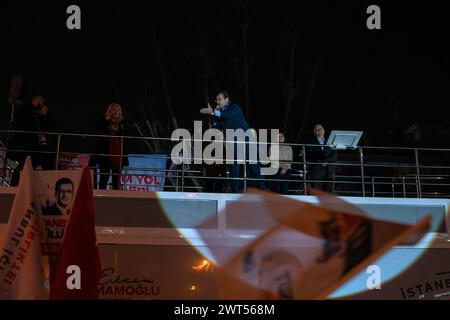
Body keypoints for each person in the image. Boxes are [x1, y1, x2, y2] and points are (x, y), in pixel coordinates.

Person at [200, 90, 255, 193]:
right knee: (234, 170)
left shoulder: (234, 108)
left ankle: (258, 191)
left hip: (245, 142)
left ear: (227, 99)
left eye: (220, 99)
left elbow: (226, 114)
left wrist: (212, 112)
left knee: (251, 169)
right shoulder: (222, 115)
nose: (218, 102)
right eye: (216, 100)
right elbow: (218, 126)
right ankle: (235, 193)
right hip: (233, 147)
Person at [10, 94, 56, 185]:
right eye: (41, 103)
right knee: (25, 165)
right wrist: (39, 112)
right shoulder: (26, 110)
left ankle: (52, 184)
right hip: (28, 146)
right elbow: (27, 123)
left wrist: (44, 115)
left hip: (38, 147)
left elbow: (50, 123)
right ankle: (14, 184)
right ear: (38, 100)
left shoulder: (38, 114)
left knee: (47, 164)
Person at [92, 103, 128, 190]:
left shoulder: (123, 123)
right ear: (109, 111)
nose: (115, 112)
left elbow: (128, 135)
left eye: (117, 110)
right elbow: (97, 129)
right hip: (105, 154)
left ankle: (116, 199)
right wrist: (106, 121)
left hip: (118, 155)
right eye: (113, 109)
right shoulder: (104, 120)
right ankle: (101, 197)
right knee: (104, 177)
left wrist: (117, 130)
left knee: (116, 179)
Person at [306, 124, 337, 193]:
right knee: (317, 191)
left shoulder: (330, 141)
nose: (319, 130)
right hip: (316, 169)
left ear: (324, 131)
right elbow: (309, 154)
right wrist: (321, 161)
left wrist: (327, 160)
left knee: (328, 191)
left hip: (329, 169)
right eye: (317, 129)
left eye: (321, 128)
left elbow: (334, 154)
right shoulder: (310, 142)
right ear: (314, 132)